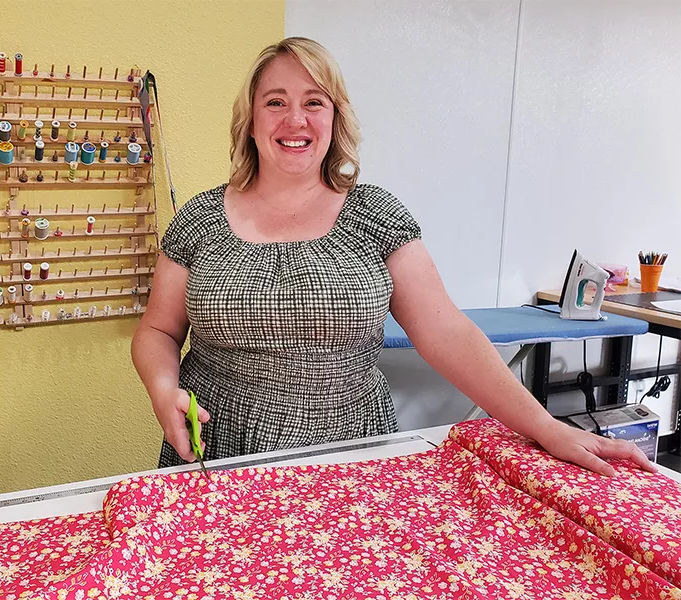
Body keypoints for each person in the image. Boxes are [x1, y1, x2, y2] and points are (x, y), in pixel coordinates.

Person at [131, 37, 655, 477]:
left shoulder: (376, 214)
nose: (296, 118)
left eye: (315, 101)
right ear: (249, 120)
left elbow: (446, 333)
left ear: (335, 118)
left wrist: (548, 427)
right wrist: (161, 388)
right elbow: (157, 331)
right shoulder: (201, 218)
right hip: (217, 449)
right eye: (275, 101)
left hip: (352, 454)